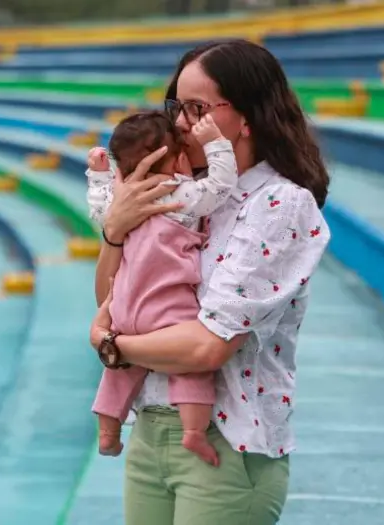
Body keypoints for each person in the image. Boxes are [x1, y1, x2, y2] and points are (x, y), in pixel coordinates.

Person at [89, 39, 330, 525]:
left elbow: (207, 346)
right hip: (152, 430)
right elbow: (118, 303)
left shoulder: (278, 204)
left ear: (248, 118)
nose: (179, 123)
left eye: (197, 108)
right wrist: (115, 233)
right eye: (177, 106)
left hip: (225, 443)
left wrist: (113, 347)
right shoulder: (185, 195)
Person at [85, 110, 238, 466]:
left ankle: (108, 433)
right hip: (167, 308)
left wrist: (99, 174)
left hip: (122, 307)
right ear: (178, 159)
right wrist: (215, 143)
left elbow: (99, 211)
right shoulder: (179, 193)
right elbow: (219, 186)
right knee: (188, 368)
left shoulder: (122, 200)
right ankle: (194, 432)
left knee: (118, 369)